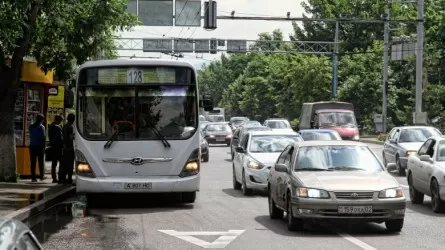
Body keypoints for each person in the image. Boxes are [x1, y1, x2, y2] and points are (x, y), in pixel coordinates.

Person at [29, 114, 46, 182]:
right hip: (40, 146)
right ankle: (41, 176)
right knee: (40, 162)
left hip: (32, 146)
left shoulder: (31, 126)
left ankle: (33, 177)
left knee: (33, 162)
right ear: (41, 120)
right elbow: (43, 137)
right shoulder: (42, 127)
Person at [60, 113, 75, 184]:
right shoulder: (70, 127)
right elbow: (71, 138)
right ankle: (69, 178)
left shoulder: (64, 126)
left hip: (65, 147)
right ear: (73, 120)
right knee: (70, 164)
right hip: (70, 148)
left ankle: (63, 178)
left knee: (64, 164)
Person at [49, 115, 63, 183]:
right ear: (58, 120)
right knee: (61, 162)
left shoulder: (51, 126)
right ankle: (60, 177)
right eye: (60, 121)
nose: (61, 122)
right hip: (58, 147)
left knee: (54, 164)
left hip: (53, 146)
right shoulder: (57, 127)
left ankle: (54, 178)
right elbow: (60, 138)